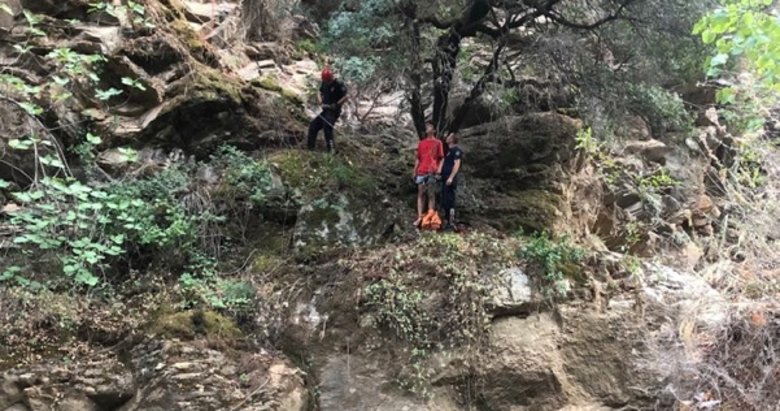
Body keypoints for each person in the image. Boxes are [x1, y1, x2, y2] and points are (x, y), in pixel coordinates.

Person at [307, 67, 348, 153]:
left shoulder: (338, 84)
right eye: (326, 81)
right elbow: (319, 92)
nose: (328, 82)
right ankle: (310, 148)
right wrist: (320, 102)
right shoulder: (324, 83)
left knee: (327, 127)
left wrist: (336, 104)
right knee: (313, 126)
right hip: (325, 110)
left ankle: (331, 150)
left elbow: (345, 96)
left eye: (329, 80)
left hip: (333, 111)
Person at [413, 122, 444, 227]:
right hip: (421, 171)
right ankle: (420, 217)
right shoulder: (421, 143)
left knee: (431, 194)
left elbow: (441, 158)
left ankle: (430, 218)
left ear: (434, 130)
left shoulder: (438, 143)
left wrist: (439, 169)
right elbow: (418, 158)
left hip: (432, 171)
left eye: (430, 126)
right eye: (426, 127)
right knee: (420, 194)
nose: (427, 128)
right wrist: (414, 171)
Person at [438, 133, 463, 231]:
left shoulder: (456, 151)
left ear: (452, 139)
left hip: (449, 179)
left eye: (449, 136)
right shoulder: (449, 151)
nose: (446, 137)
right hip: (444, 178)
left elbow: (457, 164)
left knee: (450, 200)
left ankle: (451, 222)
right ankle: (447, 220)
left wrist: (451, 177)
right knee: (444, 199)